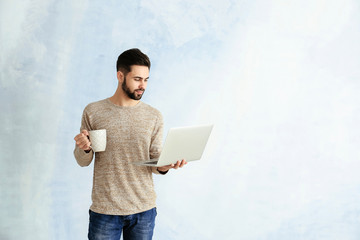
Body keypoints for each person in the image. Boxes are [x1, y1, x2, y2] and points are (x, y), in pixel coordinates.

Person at [73, 48, 187, 240]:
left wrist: (165, 165)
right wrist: (83, 148)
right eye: (137, 79)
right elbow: (83, 161)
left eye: (146, 80)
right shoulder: (93, 111)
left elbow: (154, 160)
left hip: (143, 210)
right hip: (105, 210)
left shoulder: (154, 116)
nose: (142, 85)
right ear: (120, 76)